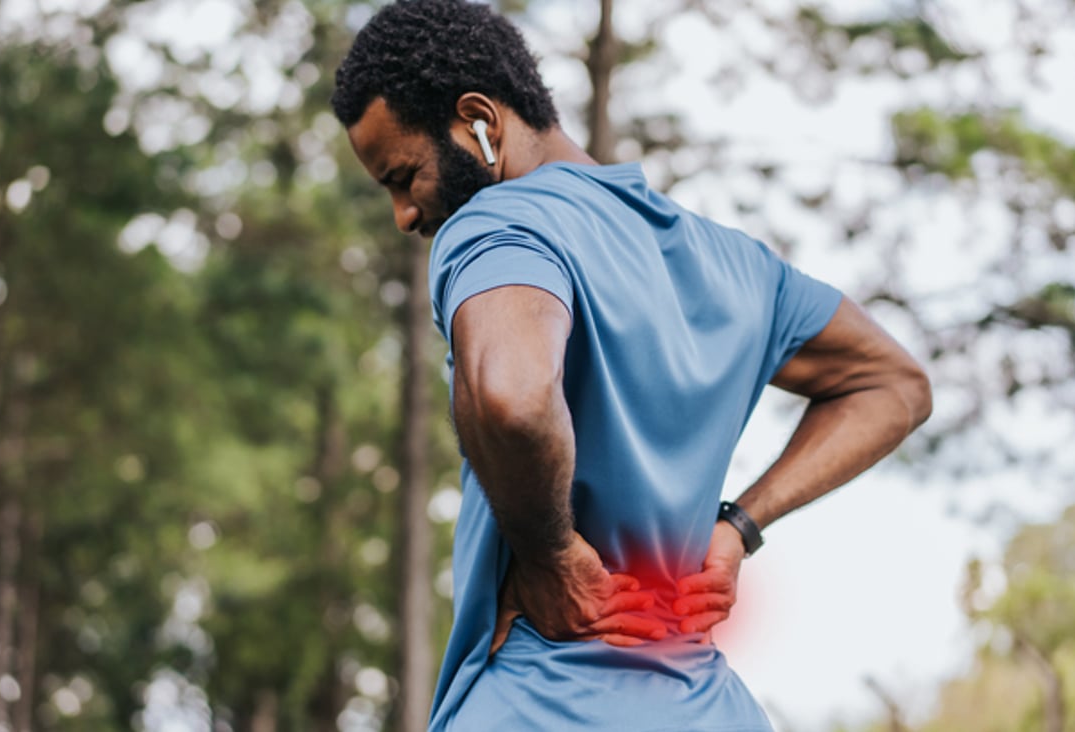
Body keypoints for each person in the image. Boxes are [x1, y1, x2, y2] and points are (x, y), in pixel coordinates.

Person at [331, 1, 932, 729]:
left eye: (404, 175)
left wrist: (550, 553)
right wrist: (737, 526)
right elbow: (894, 384)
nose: (404, 214)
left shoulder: (498, 223)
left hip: (542, 699)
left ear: (479, 121)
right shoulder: (735, 264)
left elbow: (513, 399)